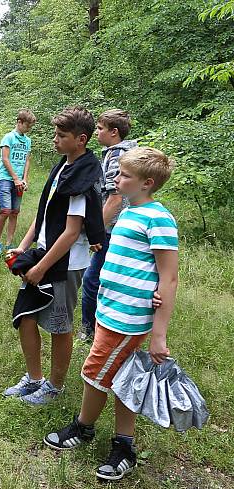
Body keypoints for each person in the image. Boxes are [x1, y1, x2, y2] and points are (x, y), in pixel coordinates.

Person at [43, 147, 178, 481]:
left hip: (128, 317)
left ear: (147, 183)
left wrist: (159, 335)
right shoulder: (129, 212)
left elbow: (169, 277)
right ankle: (124, 445)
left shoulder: (158, 218)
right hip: (110, 310)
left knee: (94, 372)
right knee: (124, 380)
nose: (117, 179)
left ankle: (83, 427)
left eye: (124, 176)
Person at [3, 106, 104, 405]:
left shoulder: (82, 178)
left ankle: (54, 386)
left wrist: (40, 268)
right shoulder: (64, 166)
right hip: (44, 254)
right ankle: (34, 379)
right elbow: (45, 212)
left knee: (60, 326)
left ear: (81, 139)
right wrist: (23, 246)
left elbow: (72, 232)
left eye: (62, 136)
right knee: (25, 317)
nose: (55, 140)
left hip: (65, 264)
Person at [80, 109, 138, 342]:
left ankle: (89, 330)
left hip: (112, 230)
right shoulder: (127, 153)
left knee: (92, 279)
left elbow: (114, 199)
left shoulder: (116, 157)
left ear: (114, 132)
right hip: (124, 228)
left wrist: (95, 232)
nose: (96, 133)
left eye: (101, 129)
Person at [0, 109, 36, 254]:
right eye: (27, 126)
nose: (29, 129)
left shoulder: (28, 141)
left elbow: (27, 161)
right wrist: (15, 178)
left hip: (19, 181)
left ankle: (9, 243)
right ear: (19, 122)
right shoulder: (8, 138)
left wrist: (24, 179)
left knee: (15, 212)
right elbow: (5, 159)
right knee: (5, 211)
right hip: (5, 178)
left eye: (30, 127)